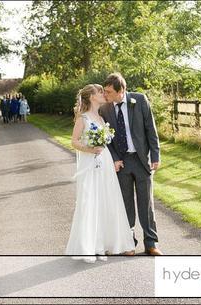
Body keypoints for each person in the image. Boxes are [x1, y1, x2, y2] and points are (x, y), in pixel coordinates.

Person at [66, 84, 135, 264]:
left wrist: (112, 159)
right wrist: (89, 148)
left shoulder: (101, 117)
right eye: (99, 92)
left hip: (104, 162)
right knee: (91, 200)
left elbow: (107, 144)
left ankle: (105, 243)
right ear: (91, 97)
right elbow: (74, 142)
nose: (103, 94)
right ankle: (91, 245)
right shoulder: (83, 118)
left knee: (106, 199)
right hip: (91, 162)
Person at [99, 73, 162, 256]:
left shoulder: (139, 100)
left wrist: (155, 155)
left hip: (142, 160)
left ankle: (151, 244)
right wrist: (114, 158)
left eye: (109, 92)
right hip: (122, 162)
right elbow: (106, 140)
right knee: (125, 204)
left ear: (122, 90)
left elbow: (151, 128)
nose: (106, 95)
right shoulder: (105, 109)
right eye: (105, 91)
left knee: (146, 204)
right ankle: (129, 243)